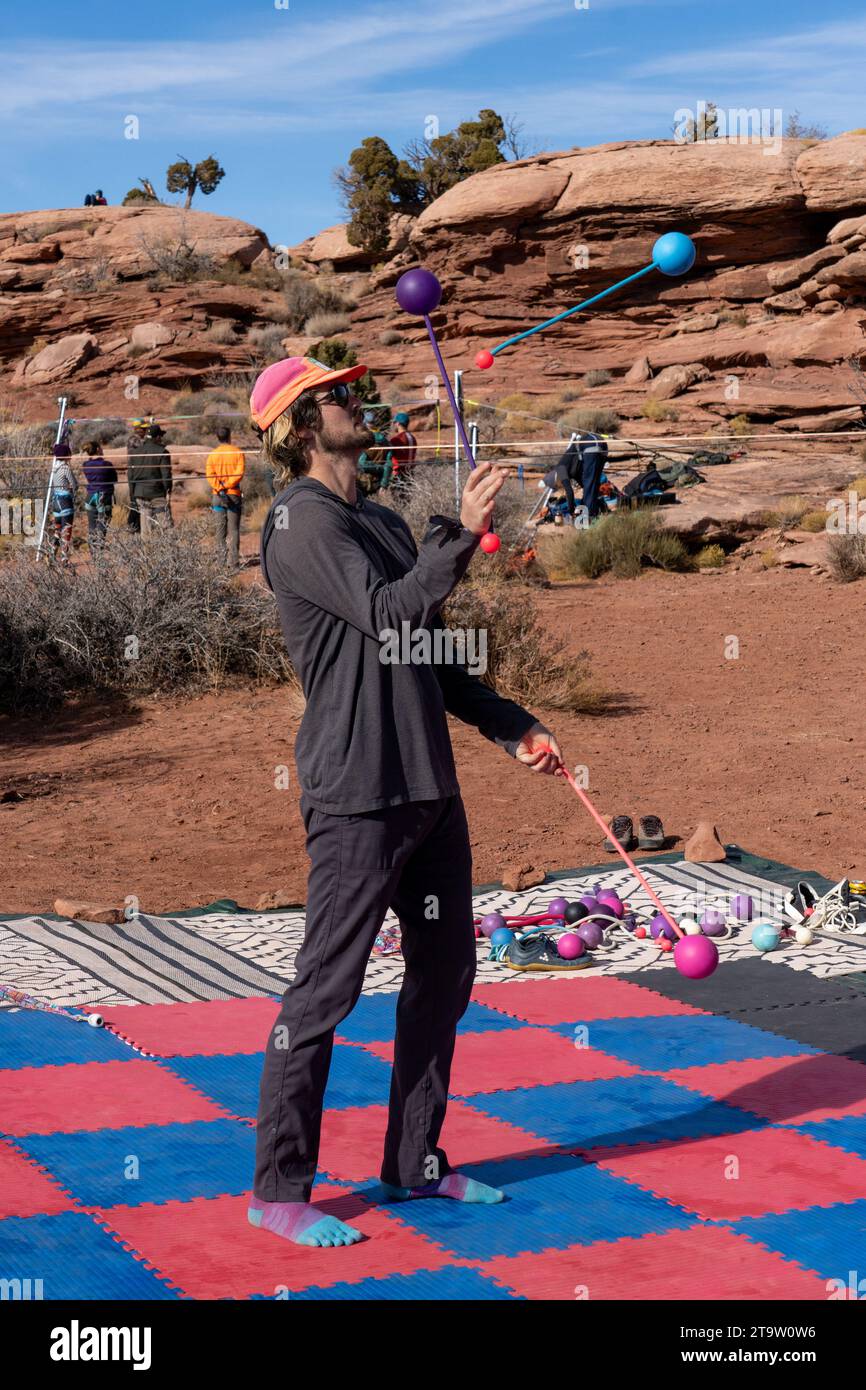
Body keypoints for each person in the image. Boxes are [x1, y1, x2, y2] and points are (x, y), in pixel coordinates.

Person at [246, 355, 563, 1249]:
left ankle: (413, 1163)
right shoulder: (300, 524)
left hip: (428, 788)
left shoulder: (377, 519)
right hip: (356, 793)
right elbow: (388, 614)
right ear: (303, 426)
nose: (358, 402)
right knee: (325, 993)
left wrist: (512, 725)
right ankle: (278, 1188)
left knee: (445, 975)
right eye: (338, 395)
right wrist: (459, 536)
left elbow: (430, 648)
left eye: (352, 389)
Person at [543, 430, 610, 523]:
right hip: (601, 445)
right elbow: (585, 485)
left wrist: (571, 511)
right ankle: (596, 510)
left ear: (555, 480)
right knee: (593, 483)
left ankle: (589, 518)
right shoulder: (571, 471)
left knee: (590, 484)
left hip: (590, 444)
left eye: (557, 486)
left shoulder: (560, 468)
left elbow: (569, 492)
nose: (560, 486)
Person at [206, 425, 246, 567]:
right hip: (233, 494)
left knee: (219, 530)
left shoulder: (213, 454)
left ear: (218, 437)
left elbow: (210, 475)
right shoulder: (238, 452)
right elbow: (239, 473)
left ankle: (221, 562)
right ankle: (233, 562)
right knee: (233, 529)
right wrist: (228, 485)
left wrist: (219, 487)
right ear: (229, 436)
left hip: (217, 496)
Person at [128, 424, 172, 535]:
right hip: (157, 494)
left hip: (140, 494)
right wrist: (168, 491)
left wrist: (133, 494)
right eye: (160, 436)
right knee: (166, 526)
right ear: (157, 437)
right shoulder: (162, 452)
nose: (161, 439)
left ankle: (147, 552)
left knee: (146, 529)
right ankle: (170, 551)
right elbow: (166, 475)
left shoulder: (135, 452)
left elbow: (130, 476)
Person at [81, 440, 118, 555]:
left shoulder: (86, 465)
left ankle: (93, 554)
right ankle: (99, 553)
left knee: (92, 526)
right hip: (103, 497)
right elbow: (114, 479)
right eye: (101, 448)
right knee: (103, 524)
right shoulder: (107, 465)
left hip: (90, 497)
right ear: (98, 449)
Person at [47, 443, 77, 565]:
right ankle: (64, 559)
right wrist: (72, 489)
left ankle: (52, 556)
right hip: (65, 502)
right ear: (66, 455)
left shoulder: (54, 468)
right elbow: (74, 484)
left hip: (56, 503)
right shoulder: (65, 468)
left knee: (57, 530)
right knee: (67, 530)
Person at [125, 421, 148, 532]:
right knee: (134, 499)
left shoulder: (140, 439)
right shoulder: (133, 440)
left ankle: (137, 524)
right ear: (138, 429)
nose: (145, 431)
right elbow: (143, 449)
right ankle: (132, 525)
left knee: (140, 498)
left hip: (139, 471)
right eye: (144, 429)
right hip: (134, 472)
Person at [388, 410, 417, 483]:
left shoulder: (396, 439)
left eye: (394, 422)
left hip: (398, 474)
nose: (393, 425)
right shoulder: (412, 438)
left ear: (398, 423)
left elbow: (389, 457)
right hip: (410, 474)